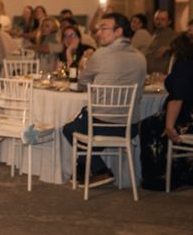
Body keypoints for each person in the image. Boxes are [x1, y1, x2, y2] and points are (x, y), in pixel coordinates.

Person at [62, 13, 146, 187]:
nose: (98, 32)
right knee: (89, 128)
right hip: (130, 127)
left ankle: (100, 170)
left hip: (102, 124)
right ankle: (82, 171)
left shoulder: (101, 54)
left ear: (118, 31)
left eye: (103, 28)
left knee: (69, 129)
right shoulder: (140, 57)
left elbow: (82, 82)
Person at [140, 32, 193, 190]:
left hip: (186, 118)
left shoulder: (184, 65)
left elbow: (177, 98)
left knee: (150, 125)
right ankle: (183, 170)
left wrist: (169, 126)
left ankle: (159, 176)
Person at [145, 9, 178, 74]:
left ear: (169, 21)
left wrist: (169, 47)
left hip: (162, 75)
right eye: (157, 19)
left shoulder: (174, 35)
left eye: (162, 19)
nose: (159, 21)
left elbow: (183, 48)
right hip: (150, 74)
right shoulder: (153, 34)